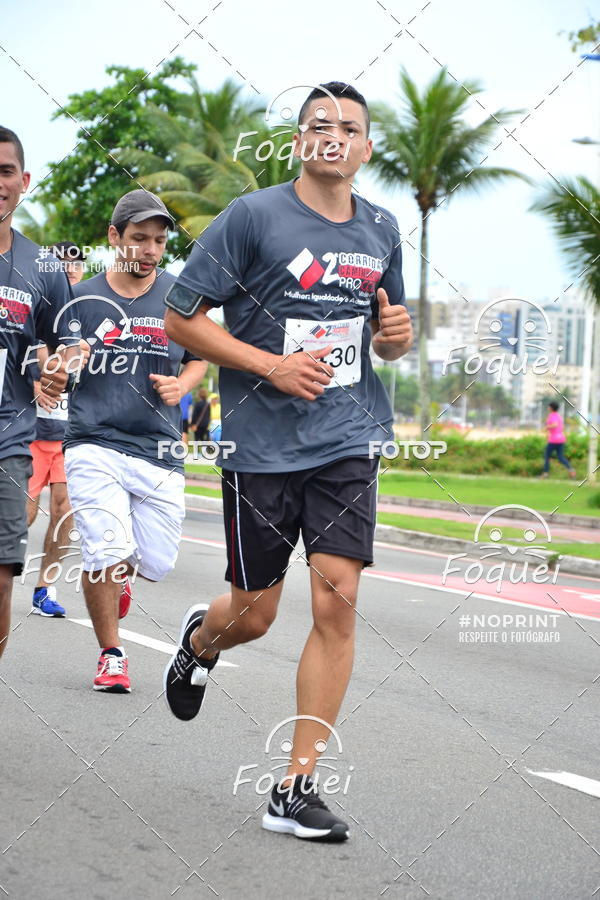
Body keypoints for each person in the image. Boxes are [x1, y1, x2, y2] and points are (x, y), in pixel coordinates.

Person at [162, 82, 413, 841]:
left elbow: (388, 335)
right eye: (318, 126)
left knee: (337, 604)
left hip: (347, 437)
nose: (333, 136)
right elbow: (182, 316)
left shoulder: (383, 227)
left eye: (349, 128)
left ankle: (294, 787)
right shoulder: (253, 217)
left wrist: (396, 337)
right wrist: (269, 365)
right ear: (300, 141)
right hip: (261, 443)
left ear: (366, 148)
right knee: (255, 612)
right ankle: (201, 641)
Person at [64, 189, 206, 693]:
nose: (150, 249)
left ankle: (119, 575)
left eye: (159, 240)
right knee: (106, 549)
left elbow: (200, 354)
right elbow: (51, 360)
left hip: (159, 450)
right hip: (93, 440)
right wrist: (60, 366)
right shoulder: (80, 299)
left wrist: (183, 384)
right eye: (140, 238)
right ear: (114, 237)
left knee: (156, 563)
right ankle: (112, 653)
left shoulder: (178, 294)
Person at [0, 126, 87, 658]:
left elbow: (70, 343)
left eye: (5, 171)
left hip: (9, 439)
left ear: (24, 180)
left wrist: (60, 369)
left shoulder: (42, 267)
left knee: (4, 573)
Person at [26, 242, 87, 618]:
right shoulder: (39, 304)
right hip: (31, 432)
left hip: (70, 436)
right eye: (62, 264)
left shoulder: (93, 309)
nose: (70, 271)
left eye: (75, 265)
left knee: (63, 512)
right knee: (25, 516)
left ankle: (44, 588)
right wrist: (34, 383)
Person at [541, 401, 576, 478]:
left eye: (549, 406)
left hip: (554, 440)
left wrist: (547, 427)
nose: (548, 408)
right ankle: (571, 470)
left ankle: (545, 473)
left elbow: (555, 425)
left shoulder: (552, 415)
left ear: (551, 408)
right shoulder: (559, 416)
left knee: (547, 455)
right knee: (560, 457)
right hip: (561, 438)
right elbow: (560, 427)